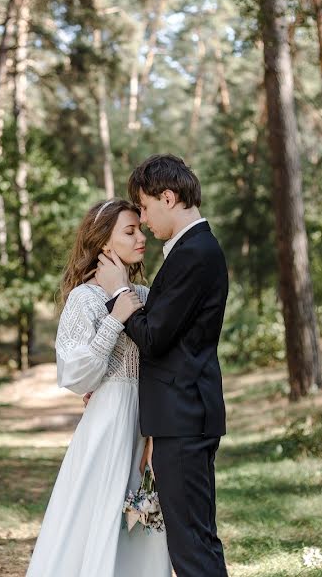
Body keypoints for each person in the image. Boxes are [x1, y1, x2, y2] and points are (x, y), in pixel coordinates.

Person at [96, 153, 229, 577]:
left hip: (185, 417)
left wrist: (119, 293)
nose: (145, 221)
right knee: (190, 540)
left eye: (147, 208)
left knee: (191, 545)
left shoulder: (195, 252)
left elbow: (154, 337)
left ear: (168, 197)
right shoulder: (189, 250)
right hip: (180, 416)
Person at [25, 199, 172, 577]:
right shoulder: (84, 299)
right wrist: (115, 318)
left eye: (140, 229)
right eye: (130, 231)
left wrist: (156, 434)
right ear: (104, 243)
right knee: (98, 520)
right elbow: (77, 376)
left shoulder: (144, 295)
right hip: (108, 425)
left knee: (142, 522)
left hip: (145, 422)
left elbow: (162, 359)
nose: (141, 237)